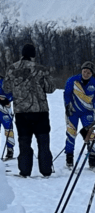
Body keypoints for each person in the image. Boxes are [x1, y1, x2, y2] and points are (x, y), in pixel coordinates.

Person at [5, 44, 56, 177]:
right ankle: (46, 170)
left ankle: (25, 170)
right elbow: (50, 88)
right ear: (33, 55)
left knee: (24, 142)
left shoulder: (11, 69)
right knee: (43, 142)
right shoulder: (41, 69)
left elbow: (6, 88)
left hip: (21, 112)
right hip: (40, 111)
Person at [63, 61, 95, 169]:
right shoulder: (73, 80)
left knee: (91, 134)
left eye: (88, 72)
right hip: (73, 112)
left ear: (92, 73)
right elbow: (67, 94)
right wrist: (67, 106)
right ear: (81, 70)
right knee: (71, 133)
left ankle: (92, 158)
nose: (86, 74)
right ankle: (69, 157)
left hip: (88, 112)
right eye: (84, 71)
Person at [0, 71, 14, 161]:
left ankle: (10, 150)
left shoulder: (5, 81)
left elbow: (13, 94)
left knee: (9, 130)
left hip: (5, 110)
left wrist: (7, 100)